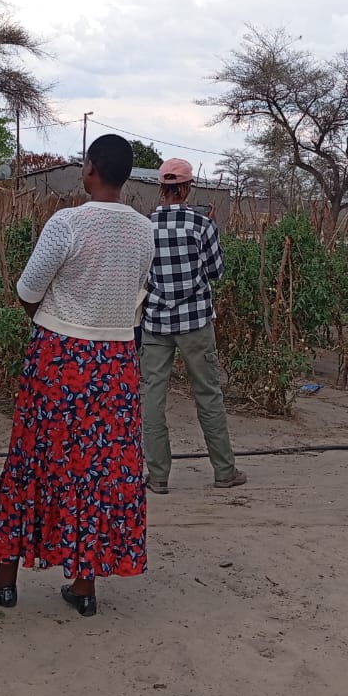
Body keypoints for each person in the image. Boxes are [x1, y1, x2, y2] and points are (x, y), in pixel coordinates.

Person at [0, 134, 154, 618]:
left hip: (61, 357)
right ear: (127, 175)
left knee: (35, 456)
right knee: (101, 467)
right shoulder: (145, 231)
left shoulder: (66, 222)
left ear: (90, 169)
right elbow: (136, 293)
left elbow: (28, 289)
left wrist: (57, 316)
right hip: (116, 362)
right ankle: (84, 585)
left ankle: (5, 577)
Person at [140, 157, 245, 494]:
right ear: (187, 188)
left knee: (152, 398)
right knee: (208, 394)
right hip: (196, 322)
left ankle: (157, 477)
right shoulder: (201, 225)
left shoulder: (145, 226)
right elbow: (215, 271)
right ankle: (224, 470)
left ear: (162, 187)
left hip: (156, 322)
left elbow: (140, 273)